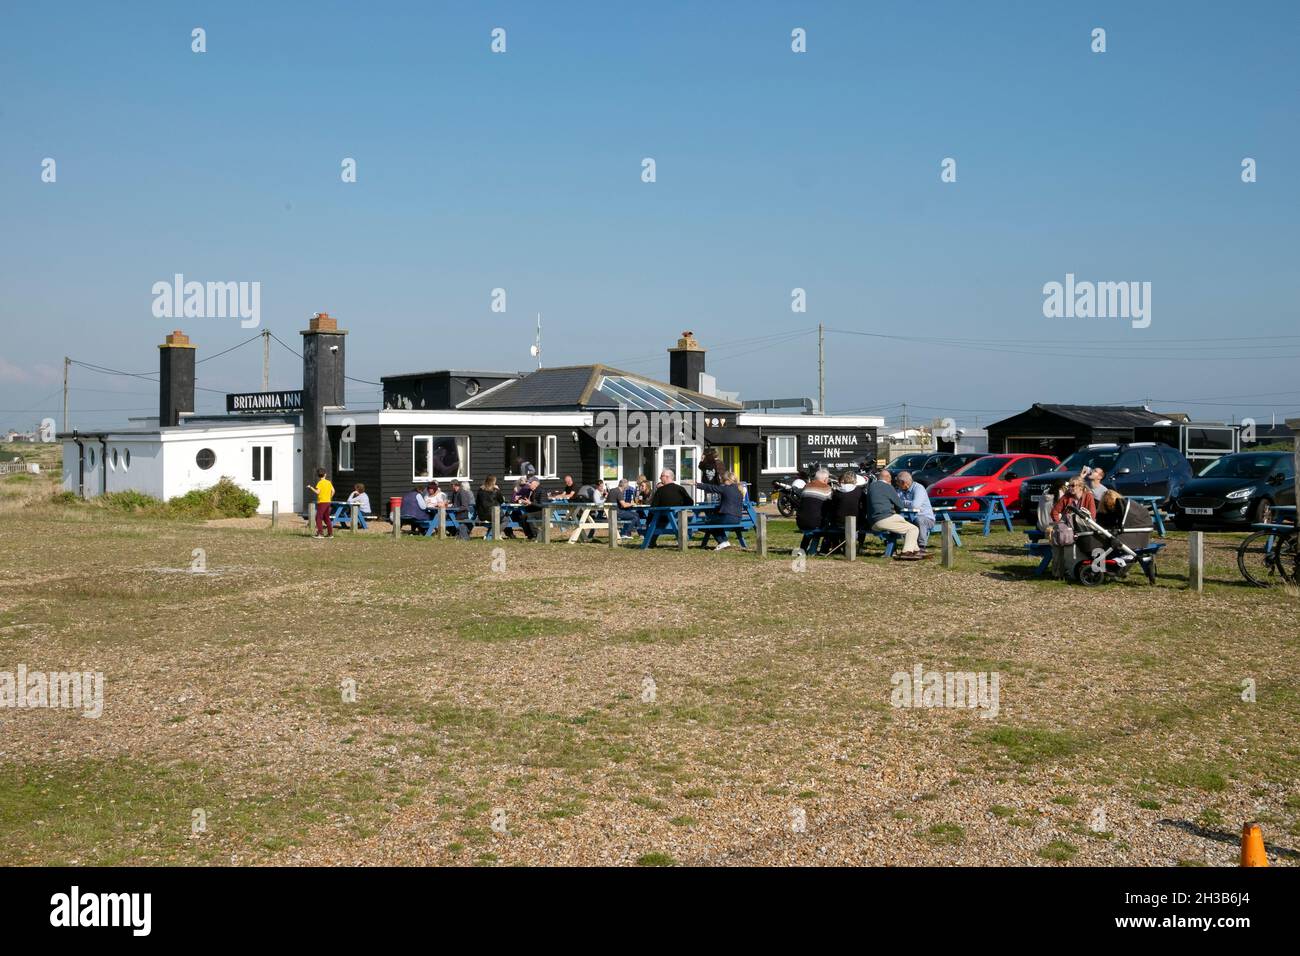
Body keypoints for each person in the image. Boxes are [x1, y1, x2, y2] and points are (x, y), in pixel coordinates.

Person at [865, 468, 924, 560]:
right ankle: (906, 552)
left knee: (904, 523)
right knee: (913, 529)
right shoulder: (888, 487)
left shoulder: (871, 486)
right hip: (884, 519)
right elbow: (899, 505)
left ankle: (915, 549)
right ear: (888, 478)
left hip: (872, 522)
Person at [697, 470, 745, 550]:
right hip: (738, 518)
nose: (722, 481)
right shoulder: (739, 490)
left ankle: (722, 542)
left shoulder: (726, 488)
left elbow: (711, 488)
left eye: (723, 480)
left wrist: (697, 485)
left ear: (727, 480)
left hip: (728, 517)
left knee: (710, 523)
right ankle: (724, 542)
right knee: (715, 522)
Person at [795, 468, 834, 556]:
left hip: (801, 522)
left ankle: (803, 549)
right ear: (825, 479)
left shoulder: (807, 486)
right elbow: (830, 507)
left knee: (811, 524)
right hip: (815, 523)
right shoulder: (827, 489)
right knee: (825, 526)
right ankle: (817, 550)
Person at [896, 470, 935, 549]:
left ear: (903, 483)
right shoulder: (900, 490)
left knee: (919, 520)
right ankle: (892, 543)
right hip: (908, 517)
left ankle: (921, 546)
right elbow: (895, 502)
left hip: (926, 518)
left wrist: (903, 502)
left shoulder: (919, 488)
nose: (897, 484)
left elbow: (915, 505)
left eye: (898, 482)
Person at [306, 468, 335, 539]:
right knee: (326, 518)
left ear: (318, 476)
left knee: (318, 518)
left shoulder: (320, 483)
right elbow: (333, 491)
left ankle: (320, 534)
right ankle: (330, 534)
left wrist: (311, 487)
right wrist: (329, 497)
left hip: (322, 502)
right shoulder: (328, 482)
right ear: (325, 474)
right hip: (328, 502)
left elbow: (317, 492)